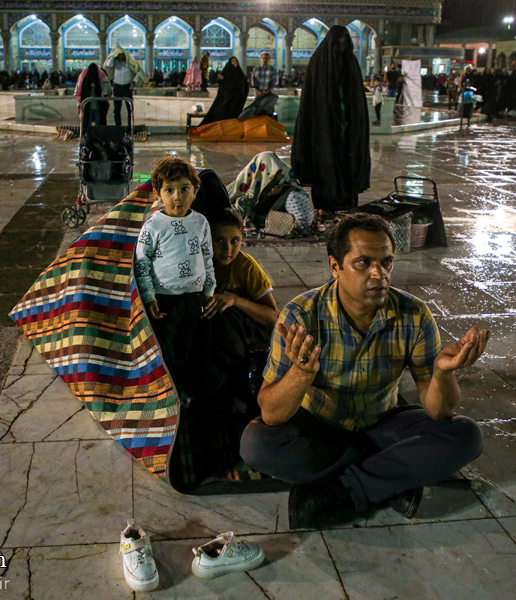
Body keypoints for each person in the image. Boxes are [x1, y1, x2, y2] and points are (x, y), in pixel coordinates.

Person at [240, 214, 489, 529]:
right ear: (335, 266)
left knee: (466, 435)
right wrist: (300, 375)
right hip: (319, 427)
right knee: (256, 444)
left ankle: (344, 491)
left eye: (386, 263)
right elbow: (272, 414)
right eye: (363, 263)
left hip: (381, 422)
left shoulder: (414, 315)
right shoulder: (300, 316)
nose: (378, 274)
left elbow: (438, 411)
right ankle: (386, 478)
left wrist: (442, 373)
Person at [134, 156, 216, 401]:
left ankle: (190, 395)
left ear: (195, 191)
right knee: (167, 349)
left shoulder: (200, 222)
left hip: (194, 298)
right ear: (158, 194)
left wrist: (209, 290)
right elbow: (142, 263)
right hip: (164, 300)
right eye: (169, 190)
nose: (177, 197)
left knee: (192, 347)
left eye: (184, 189)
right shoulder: (153, 225)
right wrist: (148, 296)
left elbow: (207, 257)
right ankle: (171, 395)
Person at [291, 25, 370, 213]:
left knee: (347, 162)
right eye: (337, 44)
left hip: (347, 127)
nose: (340, 49)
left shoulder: (350, 62)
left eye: (344, 44)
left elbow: (357, 99)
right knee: (325, 162)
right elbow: (310, 101)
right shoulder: (319, 62)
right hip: (323, 125)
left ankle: (346, 203)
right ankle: (324, 205)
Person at [202, 207, 278, 401]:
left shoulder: (247, 267)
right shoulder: (196, 264)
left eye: (235, 241)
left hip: (245, 339)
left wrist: (235, 300)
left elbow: (272, 317)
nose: (228, 249)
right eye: (219, 240)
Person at [199, 56, 249, 126]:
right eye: (233, 61)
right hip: (226, 100)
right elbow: (224, 87)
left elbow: (243, 86)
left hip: (236, 101)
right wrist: (223, 79)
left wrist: (224, 79)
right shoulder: (226, 72)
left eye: (236, 61)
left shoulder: (240, 74)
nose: (235, 62)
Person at [103, 48, 139, 126]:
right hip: (117, 87)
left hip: (127, 87)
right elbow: (108, 65)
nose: (121, 57)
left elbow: (138, 72)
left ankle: (130, 127)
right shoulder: (115, 61)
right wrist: (113, 55)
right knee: (116, 110)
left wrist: (134, 81)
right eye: (119, 56)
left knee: (130, 109)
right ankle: (118, 127)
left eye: (122, 56)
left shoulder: (130, 62)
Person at [239, 52, 278, 118]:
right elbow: (254, 81)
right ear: (261, 59)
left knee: (268, 110)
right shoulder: (256, 69)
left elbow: (274, 82)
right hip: (258, 93)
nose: (265, 60)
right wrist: (258, 91)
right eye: (263, 58)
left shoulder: (273, 70)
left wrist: (266, 90)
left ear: (269, 59)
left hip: (268, 94)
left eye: (266, 58)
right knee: (257, 110)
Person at [74, 63, 111, 128]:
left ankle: (88, 133)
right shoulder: (102, 75)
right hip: (97, 106)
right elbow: (107, 91)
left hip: (88, 106)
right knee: (98, 124)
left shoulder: (83, 76)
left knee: (88, 123)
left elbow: (78, 92)